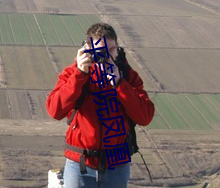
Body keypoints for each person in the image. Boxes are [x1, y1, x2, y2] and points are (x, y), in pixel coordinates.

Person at [46, 23, 155, 188]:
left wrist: (120, 83)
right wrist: (80, 74)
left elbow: (145, 116)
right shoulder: (74, 73)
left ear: (117, 49)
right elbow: (55, 110)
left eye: (111, 50)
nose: (107, 57)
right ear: (88, 49)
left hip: (116, 165)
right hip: (81, 163)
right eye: (101, 51)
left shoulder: (127, 76)